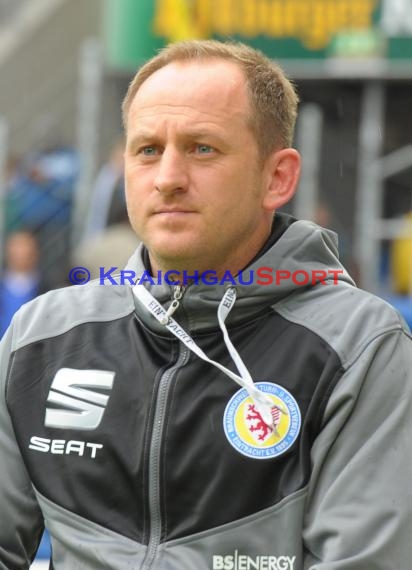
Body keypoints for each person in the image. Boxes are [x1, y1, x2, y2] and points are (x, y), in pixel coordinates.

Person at [0, 40, 411, 570]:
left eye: (202, 149)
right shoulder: (42, 336)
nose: (168, 177)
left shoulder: (361, 347)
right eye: (147, 149)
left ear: (277, 178)